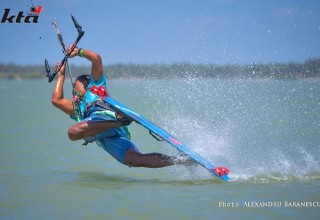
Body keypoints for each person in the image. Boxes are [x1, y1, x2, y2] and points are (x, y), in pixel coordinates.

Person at [51, 44, 192, 168]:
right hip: (108, 139)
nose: (74, 94)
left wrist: (79, 52)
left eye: (76, 89)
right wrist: (61, 75)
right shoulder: (78, 110)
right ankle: (181, 161)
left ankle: (117, 121)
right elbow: (56, 100)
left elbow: (96, 58)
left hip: (107, 120)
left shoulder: (96, 86)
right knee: (134, 159)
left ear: (87, 84)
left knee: (73, 132)